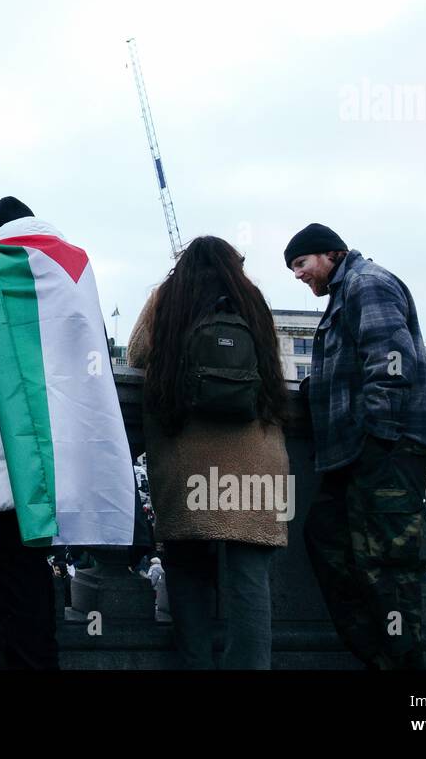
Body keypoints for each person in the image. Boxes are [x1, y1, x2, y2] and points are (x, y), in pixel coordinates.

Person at [0, 197, 138, 669]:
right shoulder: (75, 266)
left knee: (15, 569)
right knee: (38, 569)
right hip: (67, 448)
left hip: (11, 451)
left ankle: (31, 661)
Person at [286, 223, 426, 669]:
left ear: (331, 255)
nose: (298, 275)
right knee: (327, 539)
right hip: (354, 455)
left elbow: (390, 364)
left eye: (301, 264)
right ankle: (380, 659)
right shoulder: (347, 294)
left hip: (386, 449)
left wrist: (377, 439)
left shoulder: (367, 283)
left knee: (388, 570)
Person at [128, 236, 290, 669]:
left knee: (187, 574)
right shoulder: (252, 301)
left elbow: (137, 353)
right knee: (250, 581)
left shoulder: (168, 300)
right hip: (257, 464)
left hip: (186, 460)